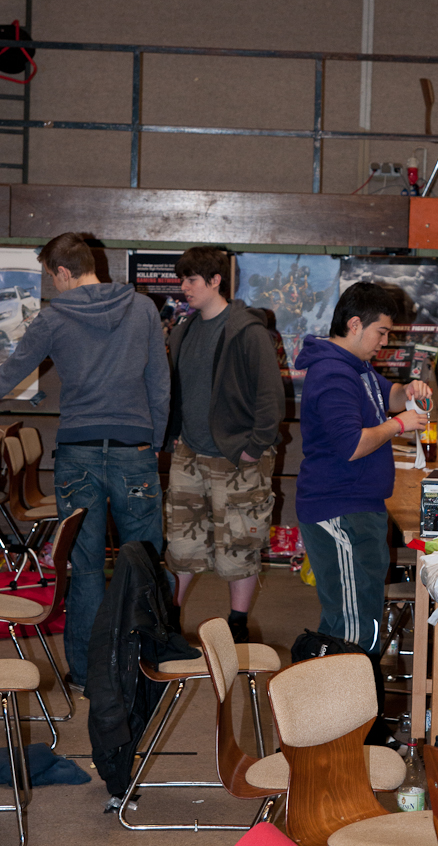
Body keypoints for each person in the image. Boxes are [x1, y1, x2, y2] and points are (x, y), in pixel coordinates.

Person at [0, 232, 170, 691]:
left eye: (51, 277)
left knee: (86, 567)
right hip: (135, 449)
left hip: (78, 454)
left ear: (62, 271)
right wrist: (152, 443)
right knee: (144, 562)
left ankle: (89, 676)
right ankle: (147, 667)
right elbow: (159, 382)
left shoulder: (54, 317)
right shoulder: (143, 309)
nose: (52, 286)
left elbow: (9, 375)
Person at [295, 281, 432, 656]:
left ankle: (349, 692)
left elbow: (389, 395)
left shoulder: (357, 368)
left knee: (355, 620)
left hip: (357, 506)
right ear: (355, 324)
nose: (384, 342)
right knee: (353, 629)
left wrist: (409, 391)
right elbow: (352, 445)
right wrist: (399, 425)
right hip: (339, 508)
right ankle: (351, 693)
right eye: (381, 332)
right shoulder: (333, 374)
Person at [165, 247, 285, 643]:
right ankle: (169, 620)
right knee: (181, 545)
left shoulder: (247, 331)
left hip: (237, 459)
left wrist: (253, 447)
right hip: (189, 453)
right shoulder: (184, 330)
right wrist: (175, 432)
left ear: (215, 281)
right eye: (182, 280)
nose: (184, 288)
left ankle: (237, 625)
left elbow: (271, 398)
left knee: (239, 546)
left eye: (192, 280)